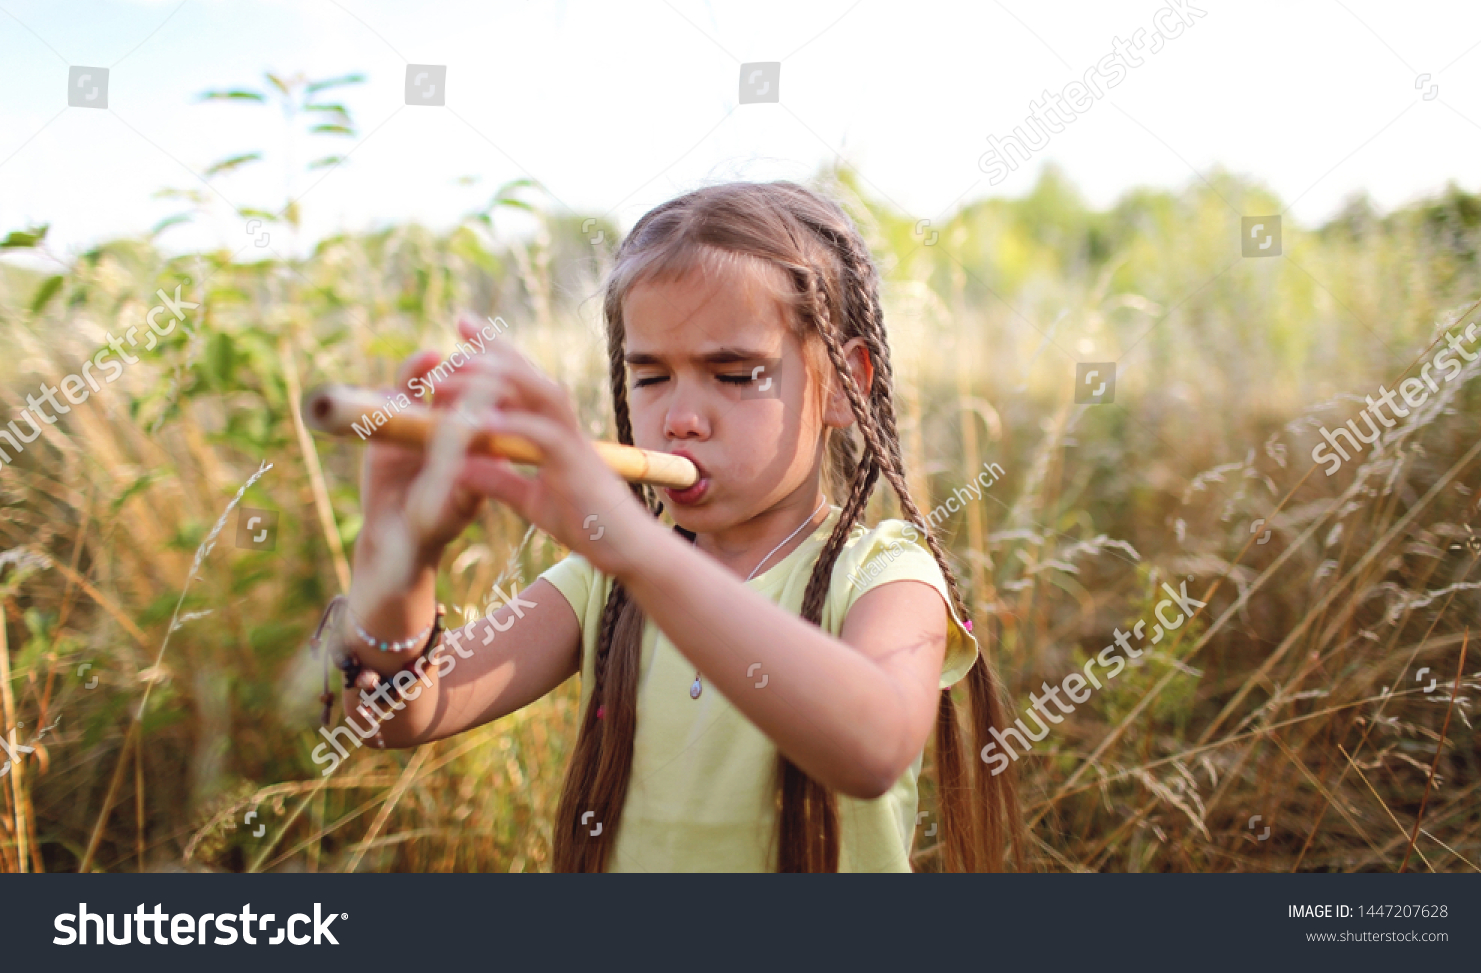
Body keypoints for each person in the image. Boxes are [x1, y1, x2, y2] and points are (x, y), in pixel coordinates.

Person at [329, 180, 1022, 871]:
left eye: (736, 373)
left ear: (844, 382)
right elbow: (400, 716)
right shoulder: (607, 577)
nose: (682, 417)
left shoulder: (887, 573)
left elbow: (872, 748)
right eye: (651, 376)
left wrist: (637, 553)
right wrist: (397, 549)